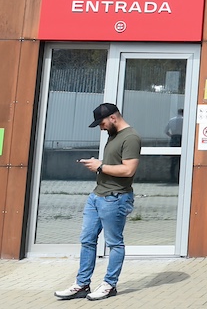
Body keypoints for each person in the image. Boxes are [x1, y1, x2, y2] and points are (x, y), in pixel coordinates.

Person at [54, 103, 141, 302]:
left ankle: (110, 285)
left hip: (116, 197)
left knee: (114, 243)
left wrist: (100, 166)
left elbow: (128, 170)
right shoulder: (113, 135)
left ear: (113, 118)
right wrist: (99, 165)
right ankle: (82, 284)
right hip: (97, 195)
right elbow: (113, 164)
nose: (101, 128)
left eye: (101, 123)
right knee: (87, 239)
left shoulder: (131, 137)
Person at [165, 108, 183, 181]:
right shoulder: (184, 120)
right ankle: (180, 178)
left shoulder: (172, 120)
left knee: (173, 160)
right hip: (182, 139)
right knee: (181, 160)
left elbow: (166, 131)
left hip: (174, 139)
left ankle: (172, 177)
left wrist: (171, 136)